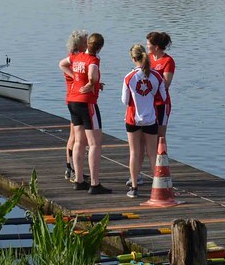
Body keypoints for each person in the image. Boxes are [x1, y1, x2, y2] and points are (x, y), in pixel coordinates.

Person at [59, 33, 111, 194]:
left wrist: (77, 78)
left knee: (78, 142)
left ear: (87, 44)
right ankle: (95, 184)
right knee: (94, 143)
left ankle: (79, 179)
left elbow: (62, 64)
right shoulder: (93, 60)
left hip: (73, 102)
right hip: (87, 102)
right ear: (100, 47)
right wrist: (91, 84)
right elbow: (92, 75)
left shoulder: (77, 56)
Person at [121, 44, 168, 198]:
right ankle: (158, 186)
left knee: (134, 152)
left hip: (133, 119)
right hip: (150, 119)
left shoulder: (129, 77)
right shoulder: (157, 76)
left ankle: (134, 188)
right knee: (152, 153)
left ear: (133, 58)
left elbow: (125, 101)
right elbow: (163, 97)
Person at [62, 30, 89, 182]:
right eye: (85, 42)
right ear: (79, 44)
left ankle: (73, 168)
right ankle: (70, 168)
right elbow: (62, 64)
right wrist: (76, 77)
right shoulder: (74, 58)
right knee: (74, 136)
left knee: (77, 136)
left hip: (76, 98)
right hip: (74, 98)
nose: (87, 44)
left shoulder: (80, 58)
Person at [147, 31, 176, 138]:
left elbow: (166, 84)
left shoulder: (168, 61)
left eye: (149, 44)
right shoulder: (147, 58)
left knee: (160, 135)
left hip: (162, 103)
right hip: (148, 102)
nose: (147, 46)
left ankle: (162, 154)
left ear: (156, 47)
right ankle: (151, 154)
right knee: (149, 134)